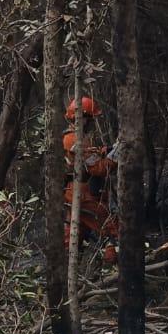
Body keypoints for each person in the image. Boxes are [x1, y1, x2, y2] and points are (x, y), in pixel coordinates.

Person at [62, 96, 118, 262]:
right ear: (83, 119)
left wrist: (105, 151)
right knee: (111, 228)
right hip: (83, 194)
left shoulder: (74, 138)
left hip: (75, 192)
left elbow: (88, 157)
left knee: (75, 236)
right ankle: (116, 267)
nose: (93, 122)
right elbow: (98, 168)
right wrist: (116, 155)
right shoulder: (74, 139)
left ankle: (76, 273)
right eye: (91, 119)